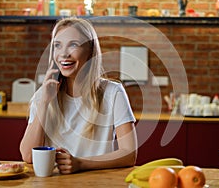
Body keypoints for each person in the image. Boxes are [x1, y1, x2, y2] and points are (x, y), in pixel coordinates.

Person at [20, 17, 138, 174]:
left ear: (90, 51)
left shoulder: (113, 92)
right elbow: (28, 155)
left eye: (73, 45)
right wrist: (43, 103)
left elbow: (129, 153)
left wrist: (80, 164)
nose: (64, 54)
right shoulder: (44, 95)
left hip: (96, 182)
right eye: (57, 45)